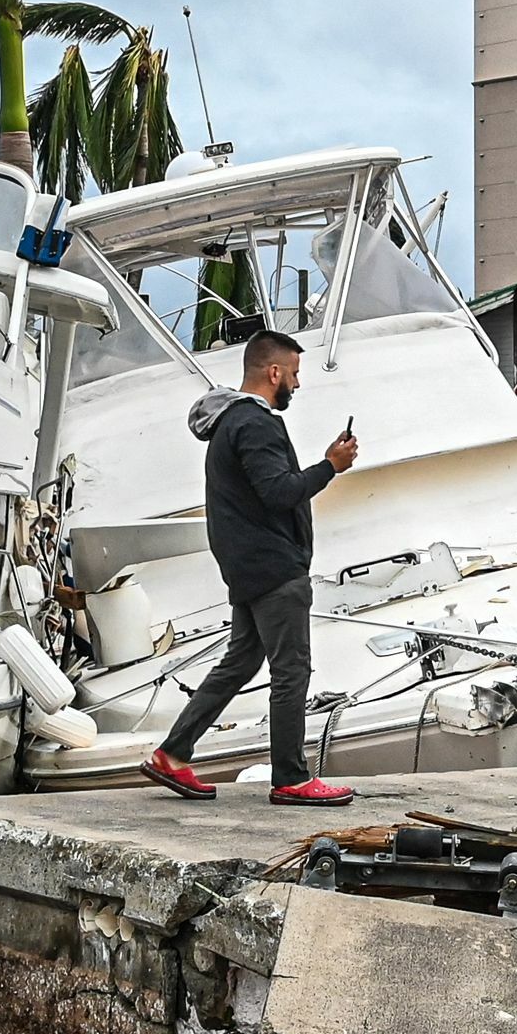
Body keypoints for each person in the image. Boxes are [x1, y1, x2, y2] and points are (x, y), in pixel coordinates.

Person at [142, 325, 361, 805]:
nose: (297, 386)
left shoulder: (228, 423)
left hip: (246, 567)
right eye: (296, 375)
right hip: (273, 568)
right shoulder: (256, 423)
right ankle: (292, 778)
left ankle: (172, 755)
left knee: (240, 662)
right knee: (292, 671)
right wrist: (330, 465)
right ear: (275, 371)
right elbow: (279, 492)